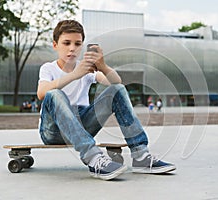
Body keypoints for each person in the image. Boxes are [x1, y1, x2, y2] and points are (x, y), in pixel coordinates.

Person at [37, 20, 175, 180]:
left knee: (117, 90)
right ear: (55, 45)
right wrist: (75, 74)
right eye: (66, 43)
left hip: (83, 126)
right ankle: (93, 158)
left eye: (77, 43)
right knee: (54, 94)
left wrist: (102, 66)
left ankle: (141, 156)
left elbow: (116, 83)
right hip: (53, 130)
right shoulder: (48, 68)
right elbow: (42, 93)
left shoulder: (86, 69)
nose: (72, 48)